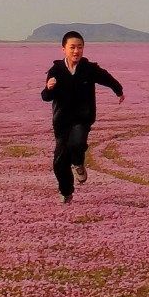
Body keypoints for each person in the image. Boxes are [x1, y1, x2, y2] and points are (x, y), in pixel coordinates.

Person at [40, 31, 122, 203]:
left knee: (77, 143)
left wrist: (118, 90)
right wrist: (49, 88)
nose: (76, 51)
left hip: (82, 118)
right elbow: (46, 97)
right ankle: (66, 192)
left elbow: (106, 78)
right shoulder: (56, 71)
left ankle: (78, 162)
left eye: (80, 47)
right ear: (64, 49)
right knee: (59, 163)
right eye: (72, 47)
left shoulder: (88, 69)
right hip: (62, 122)